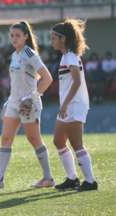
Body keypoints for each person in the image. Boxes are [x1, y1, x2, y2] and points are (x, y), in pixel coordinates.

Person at [0, 21, 54, 189]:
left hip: (29, 104)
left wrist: (32, 97)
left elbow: (47, 78)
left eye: (18, 35)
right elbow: (17, 83)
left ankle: (48, 178)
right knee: (6, 139)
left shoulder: (29, 53)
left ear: (26, 36)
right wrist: (8, 103)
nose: (14, 38)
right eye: (12, 35)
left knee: (34, 139)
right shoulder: (14, 55)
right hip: (13, 103)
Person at [51, 19, 98, 191]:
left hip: (75, 104)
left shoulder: (70, 56)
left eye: (54, 38)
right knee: (58, 141)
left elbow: (77, 82)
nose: (52, 41)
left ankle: (91, 181)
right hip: (69, 104)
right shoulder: (66, 56)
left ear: (63, 39)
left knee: (77, 143)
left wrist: (65, 104)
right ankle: (72, 178)